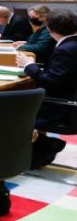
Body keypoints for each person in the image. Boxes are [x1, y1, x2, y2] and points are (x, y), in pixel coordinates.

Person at [16, 9, 77, 168]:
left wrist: (28, 66)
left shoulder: (66, 49)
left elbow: (51, 82)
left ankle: (45, 148)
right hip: (67, 101)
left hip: (62, 108)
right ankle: (40, 150)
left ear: (49, 29)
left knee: (8, 108)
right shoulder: (71, 45)